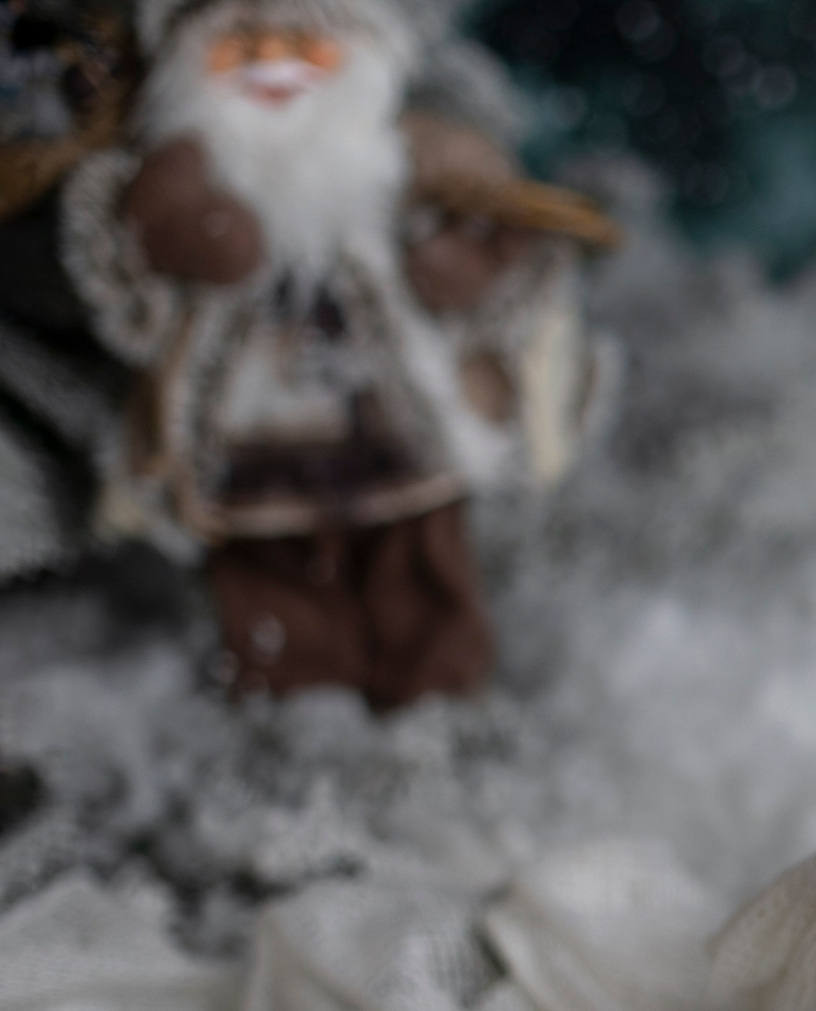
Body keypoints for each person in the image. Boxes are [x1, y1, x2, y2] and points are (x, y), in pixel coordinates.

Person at [55, 0, 612, 707]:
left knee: (425, 594)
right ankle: (296, 724)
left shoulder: (400, 161)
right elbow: (132, 304)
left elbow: (510, 259)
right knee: (277, 613)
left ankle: (438, 710)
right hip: (253, 453)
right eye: (240, 44)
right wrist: (173, 231)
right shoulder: (186, 174)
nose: (275, 64)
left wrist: (464, 267)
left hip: (397, 438)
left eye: (304, 43)